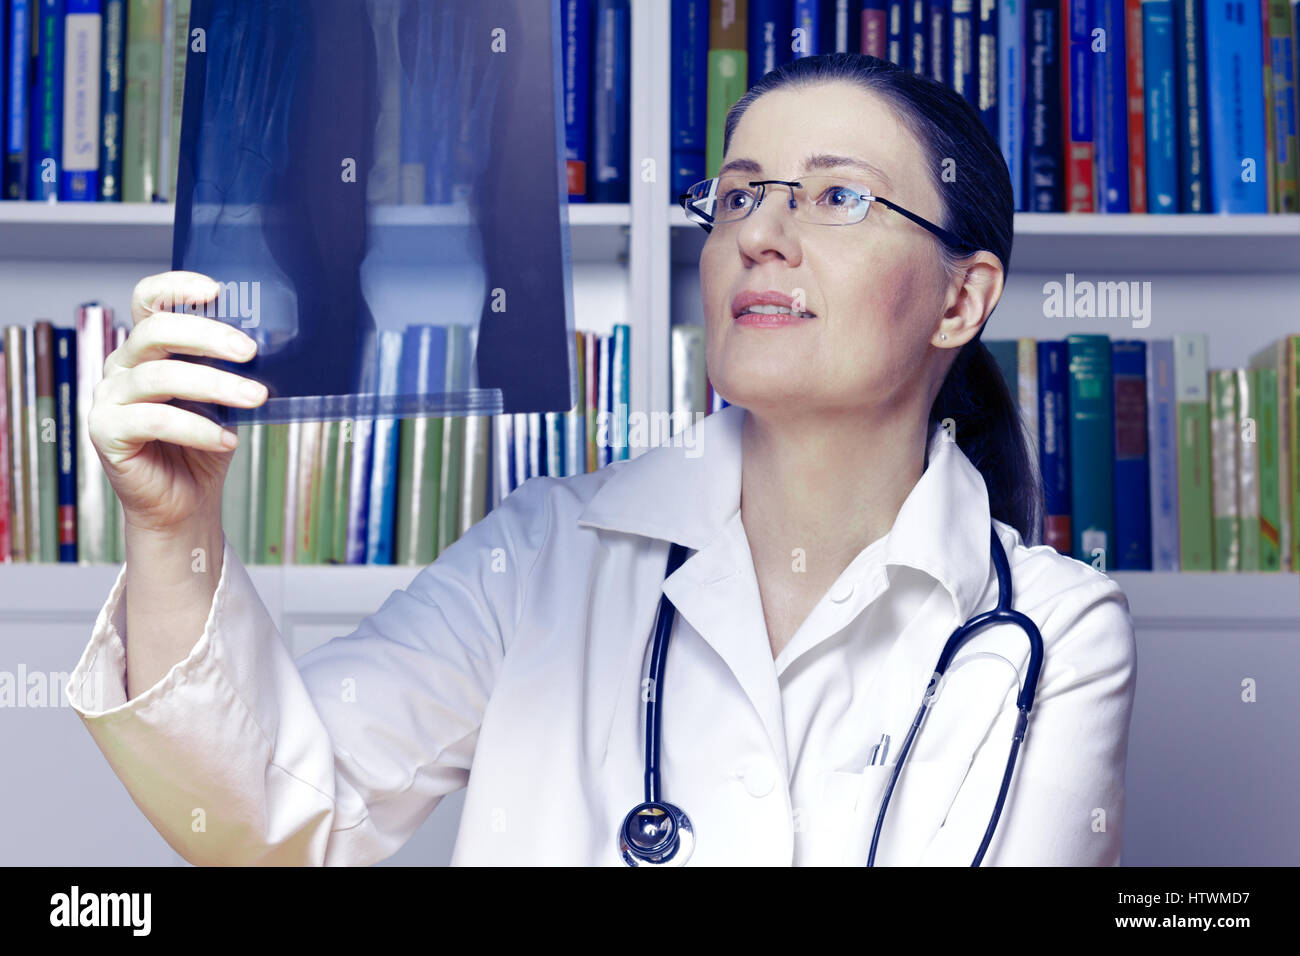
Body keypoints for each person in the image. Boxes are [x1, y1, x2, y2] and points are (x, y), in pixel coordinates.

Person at [67, 53, 1136, 866]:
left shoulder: (1053, 629)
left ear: (961, 297)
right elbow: (263, 809)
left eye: (834, 194)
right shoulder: (540, 554)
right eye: (738, 193)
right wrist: (172, 531)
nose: (760, 232)